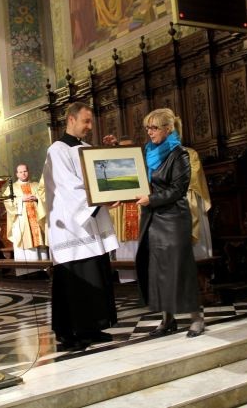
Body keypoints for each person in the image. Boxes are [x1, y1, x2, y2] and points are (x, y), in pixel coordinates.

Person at [43, 101, 119, 349]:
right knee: (76, 279)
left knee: (96, 274)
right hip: (71, 226)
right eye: (85, 121)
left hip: (89, 222)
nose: (89, 126)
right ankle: (71, 332)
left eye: (90, 121)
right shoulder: (58, 149)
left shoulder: (87, 148)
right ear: (71, 119)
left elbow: (101, 178)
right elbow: (68, 186)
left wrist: (111, 156)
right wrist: (99, 200)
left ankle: (93, 327)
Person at [135, 108, 204, 338]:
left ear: (168, 128)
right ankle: (167, 319)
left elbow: (178, 190)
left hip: (174, 218)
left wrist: (150, 199)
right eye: (147, 128)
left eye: (154, 128)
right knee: (159, 270)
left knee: (180, 267)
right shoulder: (148, 152)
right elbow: (140, 182)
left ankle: (196, 317)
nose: (149, 132)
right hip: (153, 218)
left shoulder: (179, 154)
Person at [106, 135, 139, 282]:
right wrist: (112, 149)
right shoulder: (117, 167)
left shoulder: (139, 162)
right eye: (122, 148)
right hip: (121, 209)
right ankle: (128, 278)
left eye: (128, 147)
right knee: (124, 243)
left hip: (139, 206)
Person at [3, 163, 48, 267]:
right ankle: (27, 271)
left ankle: (44, 269)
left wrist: (37, 199)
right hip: (22, 222)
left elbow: (45, 199)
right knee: (25, 244)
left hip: (37, 221)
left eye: (25, 171)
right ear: (17, 174)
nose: (23, 174)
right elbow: (7, 202)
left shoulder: (36, 185)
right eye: (20, 172)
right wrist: (21, 200)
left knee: (40, 243)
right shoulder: (11, 188)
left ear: (28, 172)